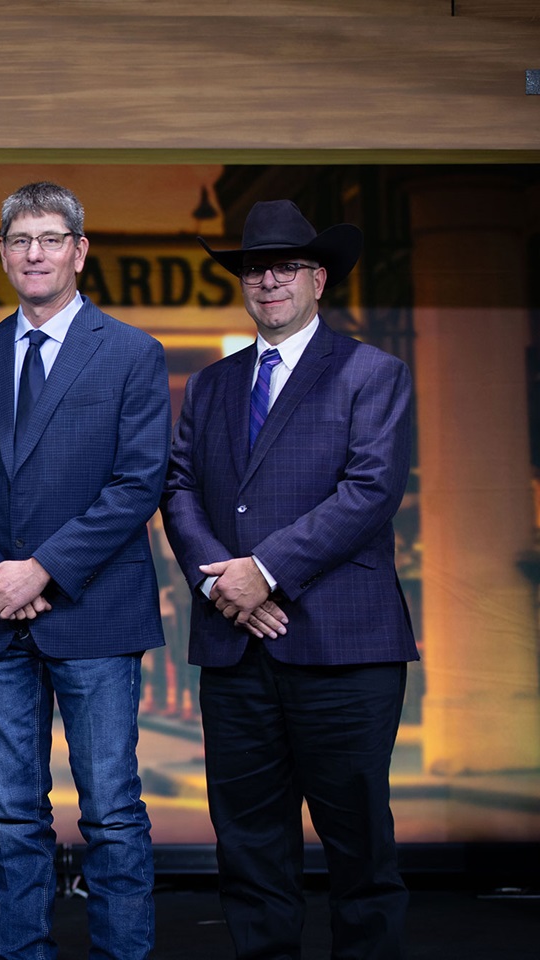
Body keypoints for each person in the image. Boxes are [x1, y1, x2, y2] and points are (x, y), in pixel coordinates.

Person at [161, 199, 416, 959]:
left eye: (284, 266)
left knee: (360, 852)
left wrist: (265, 573)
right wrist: (220, 586)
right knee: (248, 850)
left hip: (345, 650)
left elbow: (370, 492)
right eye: (253, 267)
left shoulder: (373, 373)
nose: (267, 279)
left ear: (318, 278)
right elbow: (177, 490)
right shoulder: (211, 386)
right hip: (236, 651)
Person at [0, 181, 170, 960]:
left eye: (50, 238)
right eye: (20, 241)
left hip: (93, 614)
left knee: (110, 813)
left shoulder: (132, 353)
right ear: (3, 255)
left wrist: (39, 571)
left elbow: (138, 483)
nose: (35, 253)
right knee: (11, 817)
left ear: (80, 250)